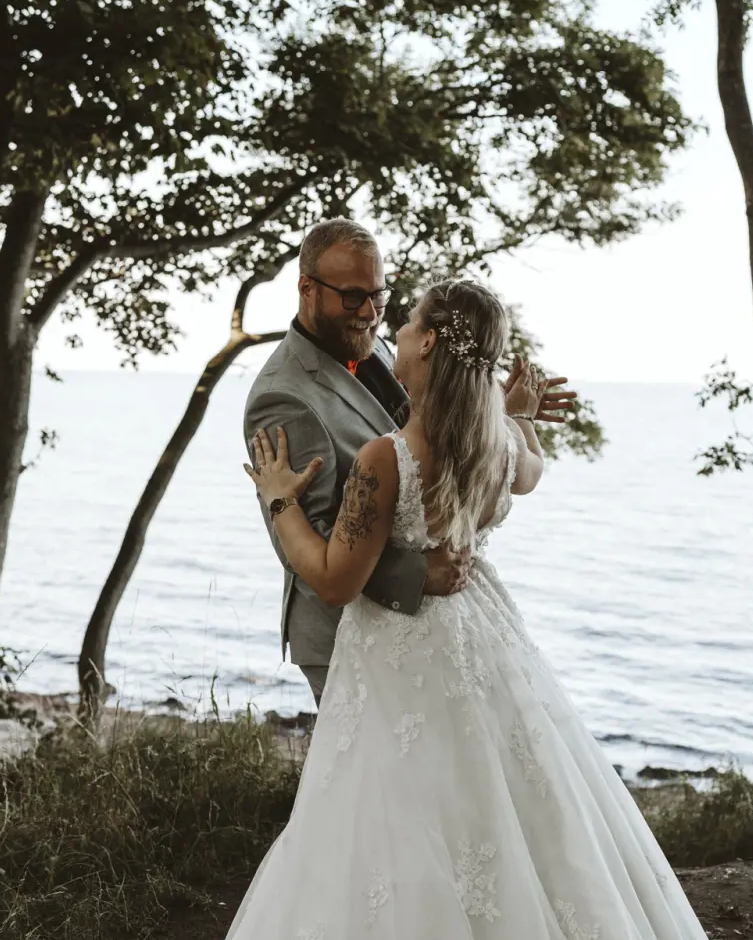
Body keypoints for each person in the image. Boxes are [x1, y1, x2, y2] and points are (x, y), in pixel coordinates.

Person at [182, 278, 752, 940]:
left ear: (431, 349)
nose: (396, 332)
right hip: (485, 640)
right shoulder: (496, 445)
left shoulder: (383, 459)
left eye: (407, 323)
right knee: (518, 823)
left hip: (404, 661)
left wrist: (282, 498)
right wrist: (516, 409)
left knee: (402, 829)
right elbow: (526, 462)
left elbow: (333, 579)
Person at [242, 217, 573, 704]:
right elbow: (311, 547)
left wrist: (489, 411)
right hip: (352, 635)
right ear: (307, 288)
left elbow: (435, 429)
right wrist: (416, 574)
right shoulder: (283, 397)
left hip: (440, 628)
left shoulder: (380, 343)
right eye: (354, 296)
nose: (373, 314)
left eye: (380, 295)